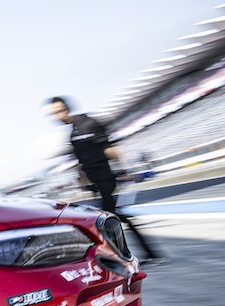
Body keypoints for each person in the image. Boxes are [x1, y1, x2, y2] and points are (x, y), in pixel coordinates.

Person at [45, 96, 163, 262]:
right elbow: (80, 162)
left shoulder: (90, 123)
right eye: (54, 113)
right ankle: (147, 254)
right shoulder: (72, 134)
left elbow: (108, 147)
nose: (58, 116)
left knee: (107, 219)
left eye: (59, 111)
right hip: (95, 183)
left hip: (106, 178)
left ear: (67, 109)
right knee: (114, 217)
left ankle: (127, 258)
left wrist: (123, 171)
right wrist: (83, 183)